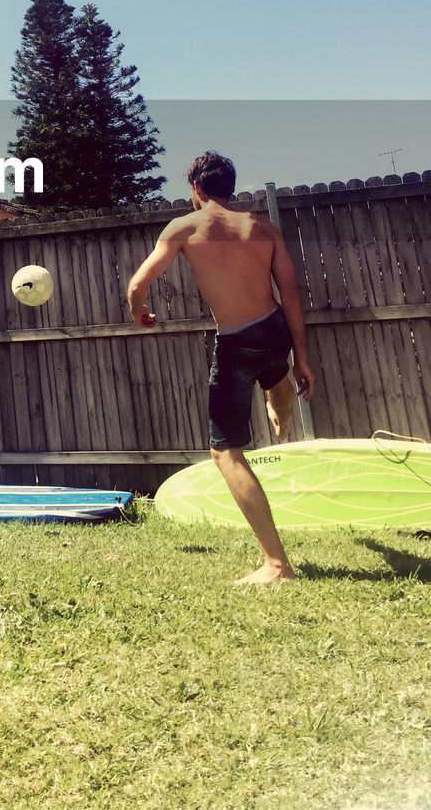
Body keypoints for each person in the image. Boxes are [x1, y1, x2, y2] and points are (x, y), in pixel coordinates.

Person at [127, 152, 315, 585]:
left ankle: (276, 564)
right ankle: (281, 406)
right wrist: (302, 358)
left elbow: (139, 283)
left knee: (224, 452)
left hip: (238, 343)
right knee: (276, 376)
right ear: (230, 186)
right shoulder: (263, 228)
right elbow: (290, 294)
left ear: (196, 190)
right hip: (274, 332)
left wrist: (139, 309)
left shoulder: (186, 227)